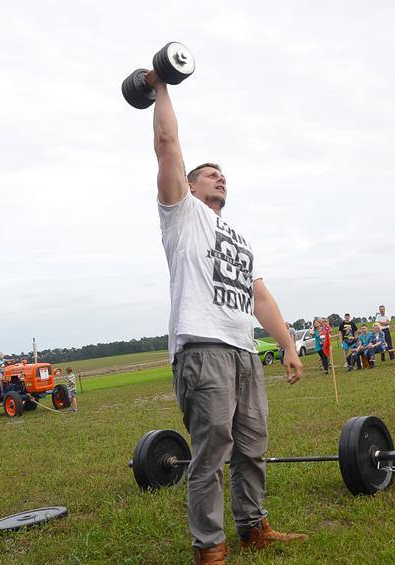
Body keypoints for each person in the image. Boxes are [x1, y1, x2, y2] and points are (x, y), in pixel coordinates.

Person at [143, 69, 306, 563]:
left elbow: (261, 298)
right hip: (203, 350)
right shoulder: (181, 215)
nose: (221, 178)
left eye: (224, 175)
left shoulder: (239, 237)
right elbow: (168, 143)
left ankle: (253, 526)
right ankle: (209, 547)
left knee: (252, 446)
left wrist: (289, 344)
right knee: (212, 455)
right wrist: (160, 86)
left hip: (244, 352)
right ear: (189, 186)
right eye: (210, 173)